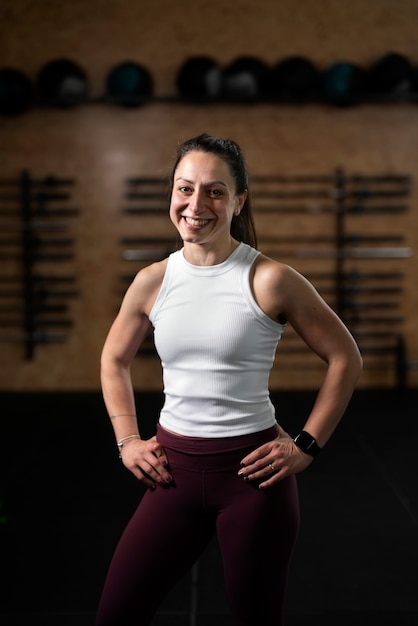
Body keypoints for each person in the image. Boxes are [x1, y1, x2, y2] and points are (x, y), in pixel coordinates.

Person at [96, 133, 362, 626]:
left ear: (239, 201)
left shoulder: (268, 279)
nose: (196, 205)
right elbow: (113, 359)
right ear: (173, 195)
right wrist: (127, 440)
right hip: (171, 473)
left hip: (252, 481)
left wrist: (306, 445)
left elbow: (346, 357)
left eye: (215, 191)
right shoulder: (153, 280)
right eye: (185, 188)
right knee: (115, 616)